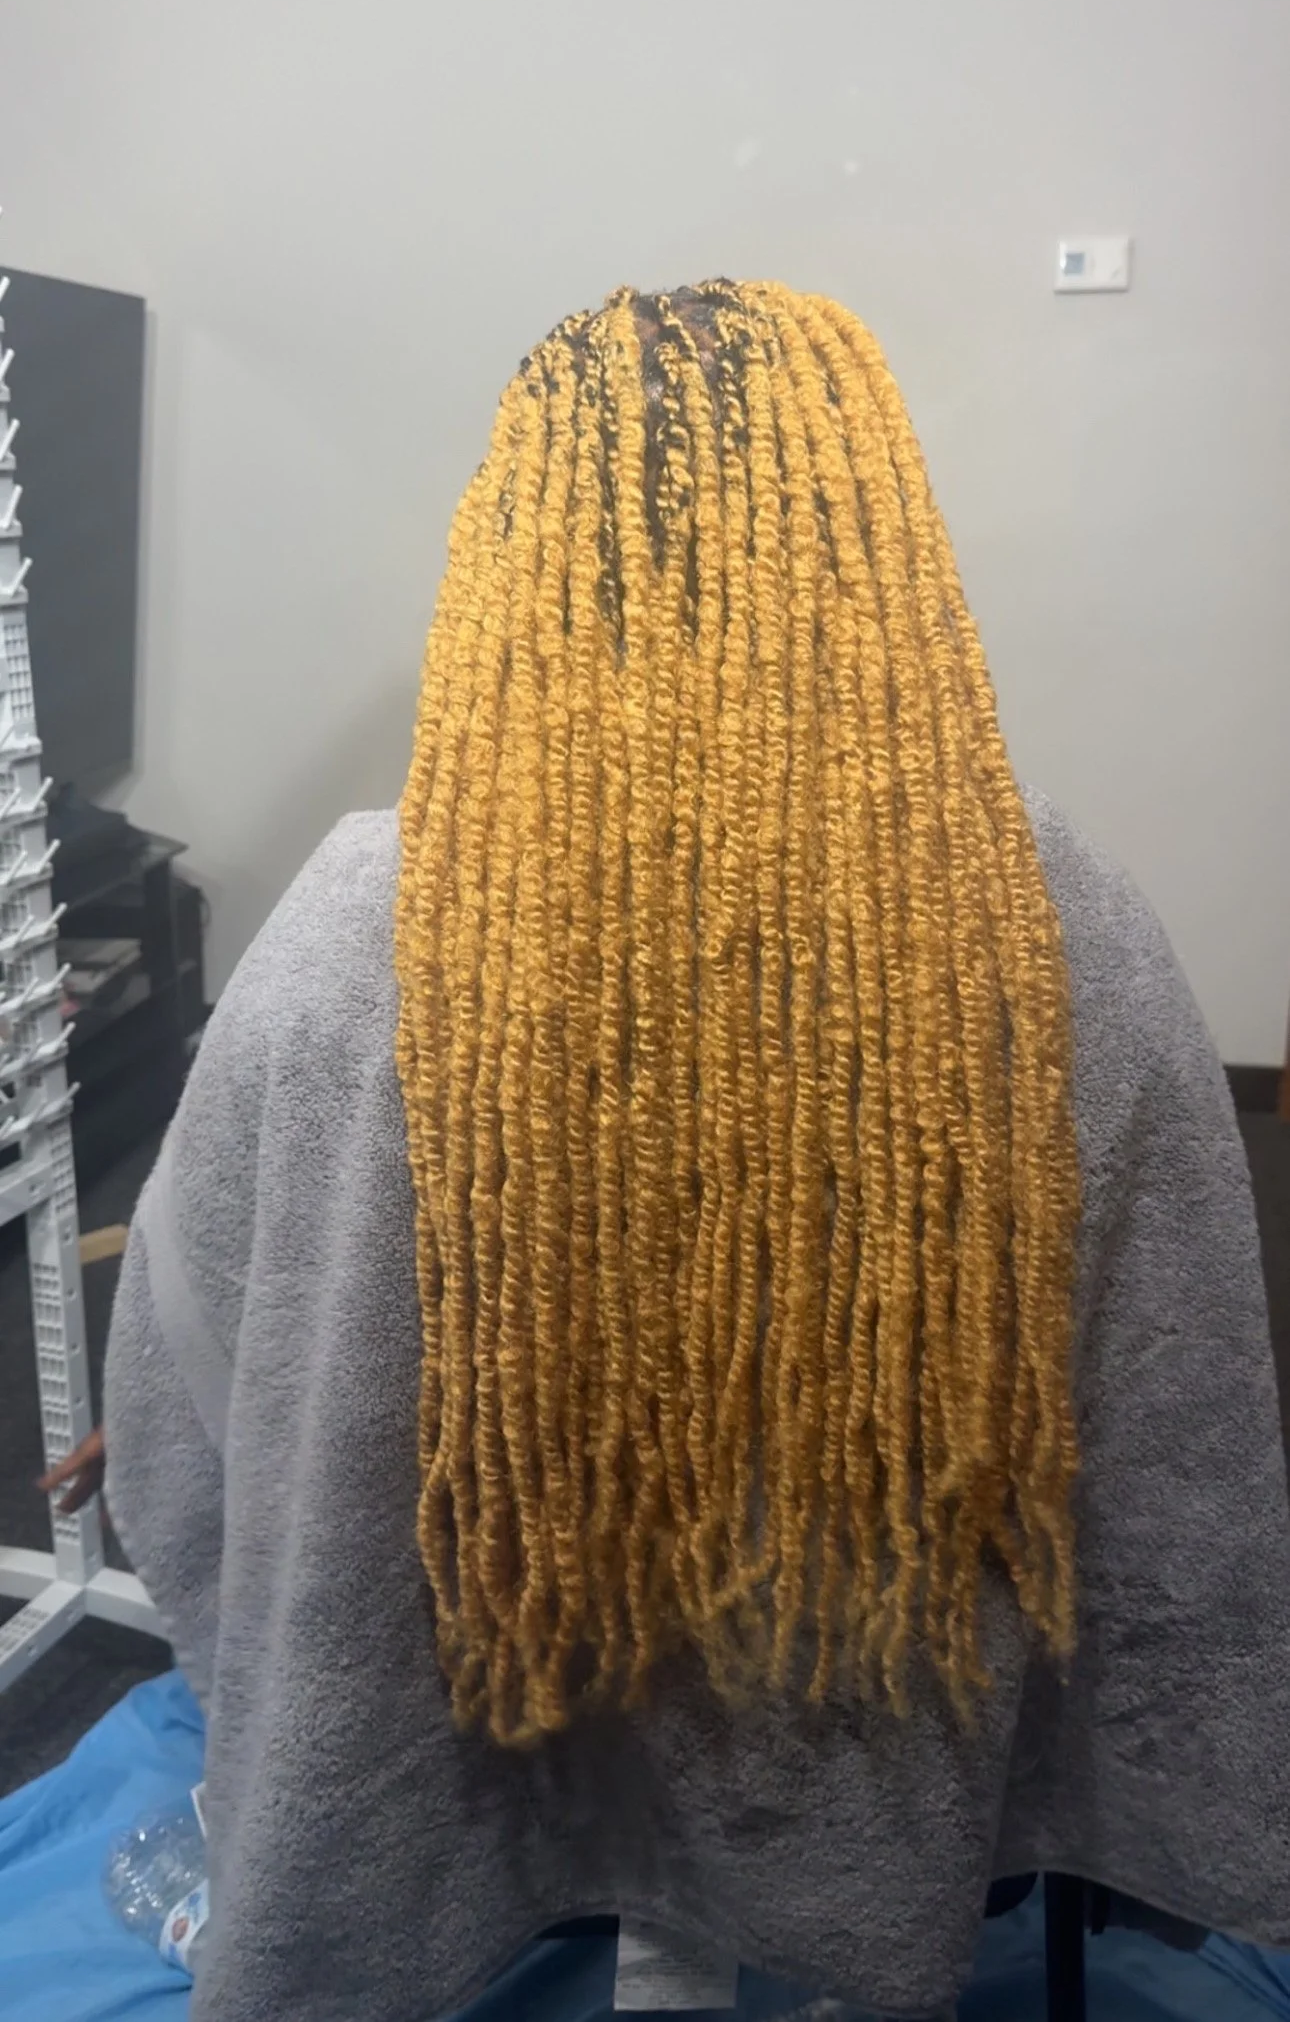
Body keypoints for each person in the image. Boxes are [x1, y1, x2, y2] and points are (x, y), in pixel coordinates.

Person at [103, 282, 1290, 2022]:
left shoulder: (360, 913)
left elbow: (201, 1357)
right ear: (877, 546)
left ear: (510, 549)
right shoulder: (1049, 913)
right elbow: (1170, 1397)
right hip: (867, 1702)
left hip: (481, 1708)